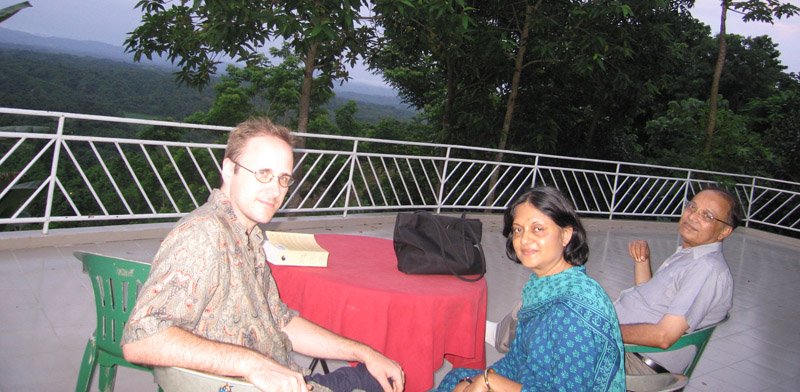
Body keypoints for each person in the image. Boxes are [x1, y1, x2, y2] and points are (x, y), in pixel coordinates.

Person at [121, 117, 404, 392]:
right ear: (229, 170)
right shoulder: (204, 235)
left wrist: (363, 352)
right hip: (242, 385)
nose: (275, 190)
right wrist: (252, 364)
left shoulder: (248, 236)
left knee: (377, 374)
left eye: (283, 178)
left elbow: (281, 322)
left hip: (290, 380)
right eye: (263, 174)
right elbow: (141, 339)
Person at [437, 186, 625, 392]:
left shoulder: (573, 310)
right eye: (518, 230)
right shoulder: (540, 288)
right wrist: (474, 381)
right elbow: (516, 360)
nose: (524, 239)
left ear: (565, 235)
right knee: (457, 378)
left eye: (538, 229)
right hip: (529, 382)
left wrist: (489, 382)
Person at [615, 186, 740, 375]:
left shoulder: (707, 269)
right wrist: (642, 260)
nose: (693, 216)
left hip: (638, 363)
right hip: (629, 351)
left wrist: (605, 329)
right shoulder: (690, 255)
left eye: (707, 216)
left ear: (724, 231)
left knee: (567, 339)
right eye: (692, 207)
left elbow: (664, 336)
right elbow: (650, 301)